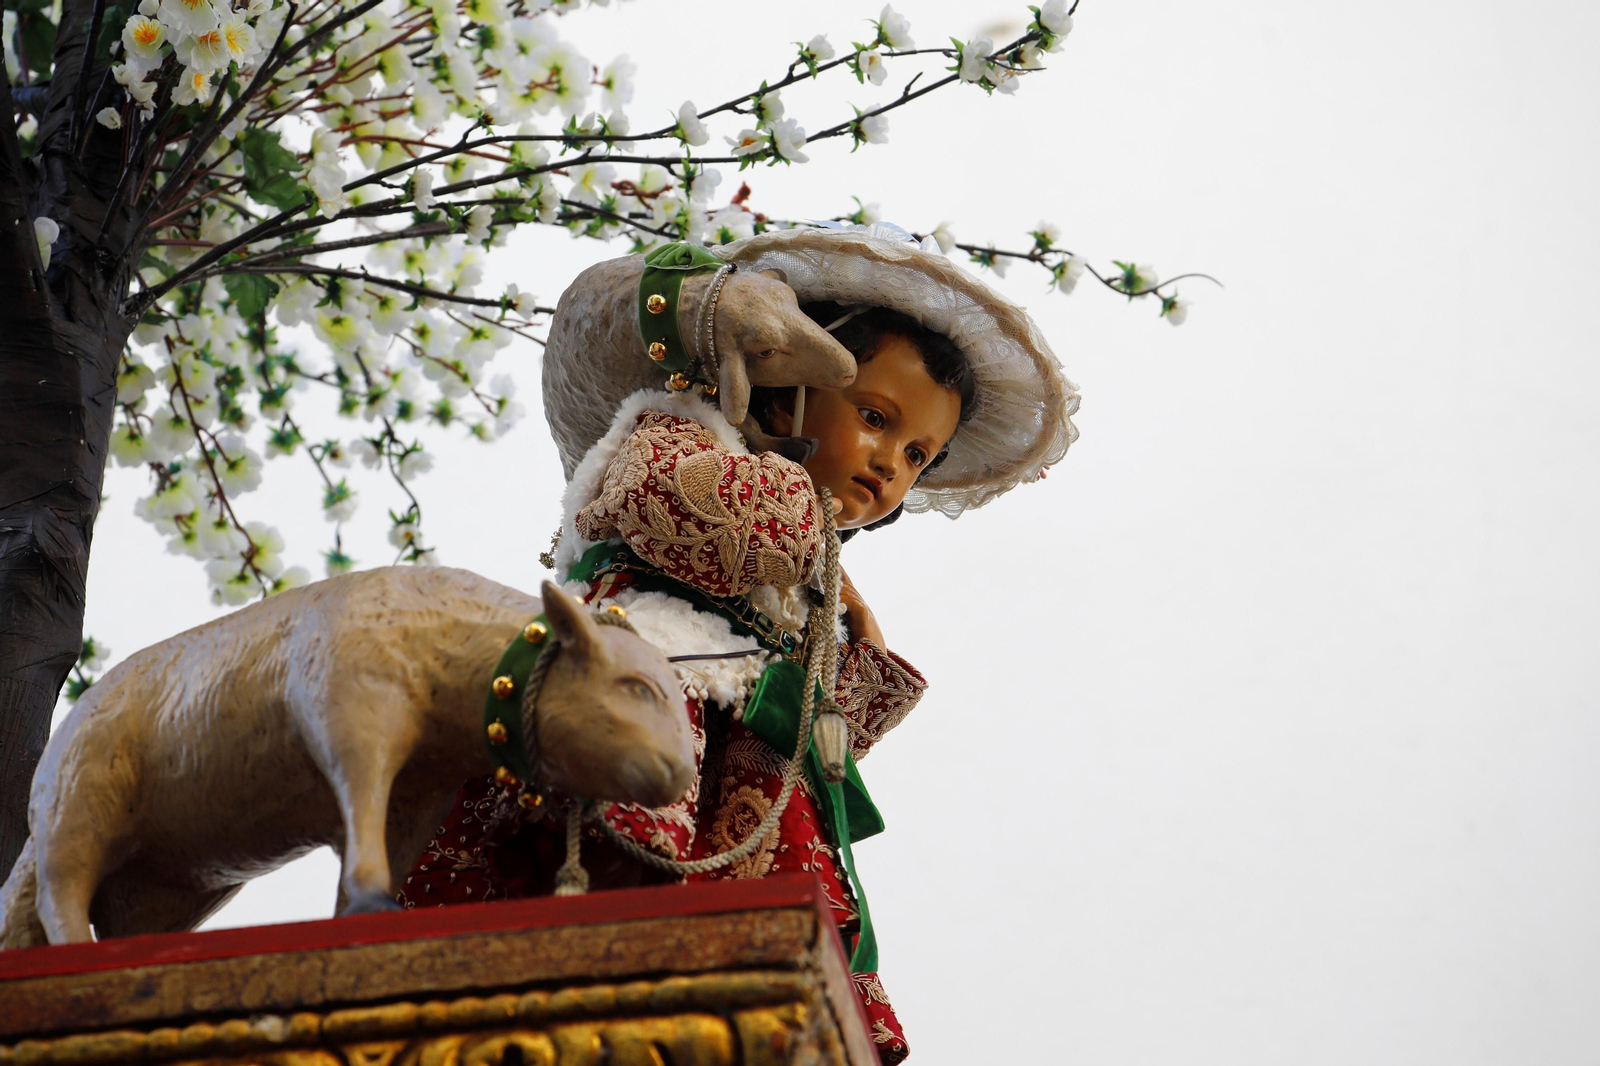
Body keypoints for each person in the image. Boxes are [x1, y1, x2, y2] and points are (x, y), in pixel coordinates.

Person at [398, 224, 1080, 1065]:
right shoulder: (679, 435)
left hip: (749, 781)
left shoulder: (807, 580)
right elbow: (672, 508)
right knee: (628, 904)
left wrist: (854, 647)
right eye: (873, 419)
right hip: (643, 700)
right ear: (786, 389)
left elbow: (816, 737)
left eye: (915, 454)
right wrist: (806, 538)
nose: (889, 468)